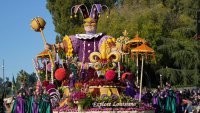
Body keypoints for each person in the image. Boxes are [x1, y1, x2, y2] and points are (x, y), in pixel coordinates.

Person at [45, 4, 116, 82]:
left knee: (98, 83)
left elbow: (110, 48)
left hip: (98, 70)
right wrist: (51, 46)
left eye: (92, 22)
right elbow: (63, 45)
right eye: (86, 22)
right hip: (82, 70)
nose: (89, 24)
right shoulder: (79, 39)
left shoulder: (100, 38)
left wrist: (117, 48)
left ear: (96, 23)